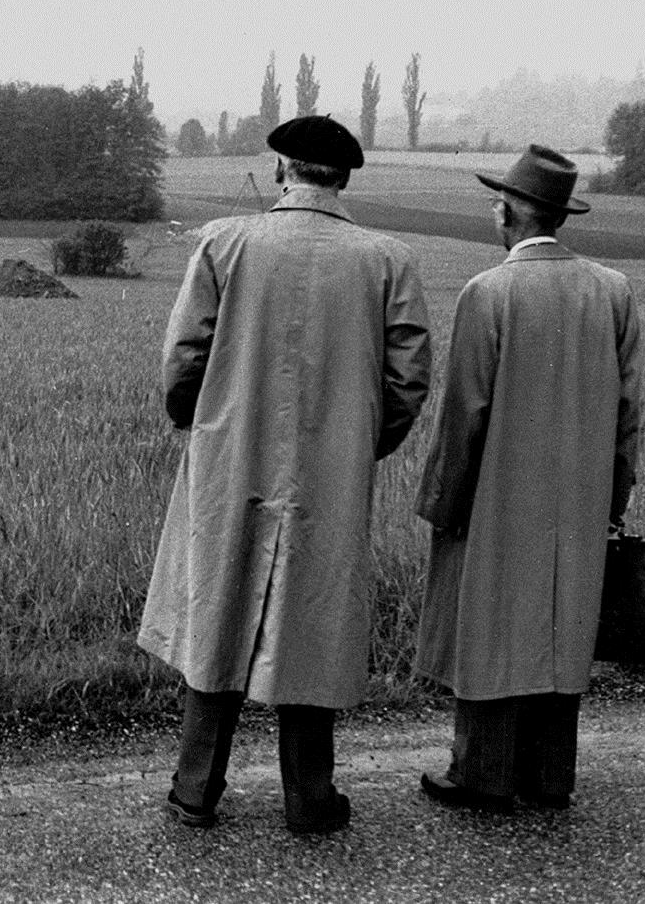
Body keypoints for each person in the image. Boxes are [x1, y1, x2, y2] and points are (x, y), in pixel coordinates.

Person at [138, 116, 432, 835]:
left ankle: (195, 788)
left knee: (217, 605)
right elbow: (410, 378)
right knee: (315, 615)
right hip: (331, 466)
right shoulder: (386, 259)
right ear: (344, 177)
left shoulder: (224, 241)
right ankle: (309, 797)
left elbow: (185, 356)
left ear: (281, 171)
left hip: (228, 456)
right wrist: (363, 442)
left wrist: (200, 423)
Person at [413, 145, 642, 814]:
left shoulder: (489, 293)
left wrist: (444, 502)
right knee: (561, 629)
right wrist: (614, 497)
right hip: (580, 500)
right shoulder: (613, 290)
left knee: (489, 628)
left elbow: (465, 414)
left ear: (509, 213)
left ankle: (480, 774)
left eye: (497, 202)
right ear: (557, 215)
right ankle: (549, 777)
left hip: (498, 499)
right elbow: (629, 411)